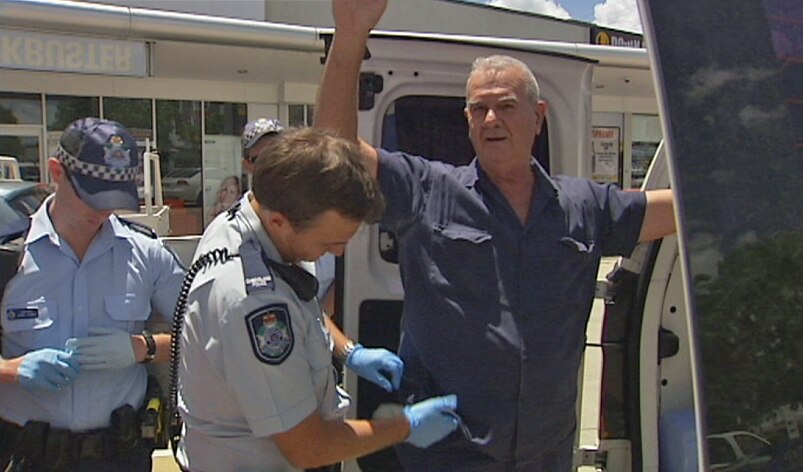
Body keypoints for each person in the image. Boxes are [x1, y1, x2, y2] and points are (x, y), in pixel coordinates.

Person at [314, 1, 677, 471]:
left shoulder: (585, 207)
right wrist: (350, 36)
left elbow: (676, 210)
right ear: (467, 121)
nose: (491, 120)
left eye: (506, 106)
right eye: (479, 109)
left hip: (544, 456)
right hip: (447, 454)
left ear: (538, 116)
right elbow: (335, 155)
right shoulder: (428, 191)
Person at [176, 126, 460, 471]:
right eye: (328, 244)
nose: (338, 253)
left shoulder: (247, 220)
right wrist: (403, 426)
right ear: (280, 221)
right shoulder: (254, 302)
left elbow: (299, 301)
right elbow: (308, 447)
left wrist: (348, 351)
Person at [0, 117, 185, 471]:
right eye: (92, 194)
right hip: (27, 455)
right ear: (57, 172)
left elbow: (206, 335)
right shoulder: (10, 257)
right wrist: (10, 369)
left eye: (114, 197)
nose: (103, 209)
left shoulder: (146, 254)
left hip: (119, 454)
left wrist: (142, 347)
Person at [242, 118, 338, 313]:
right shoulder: (238, 228)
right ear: (247, 165)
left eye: (277, 154)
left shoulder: (323, 207)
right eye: (260, 159)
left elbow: (344, 271)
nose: (272, 164)